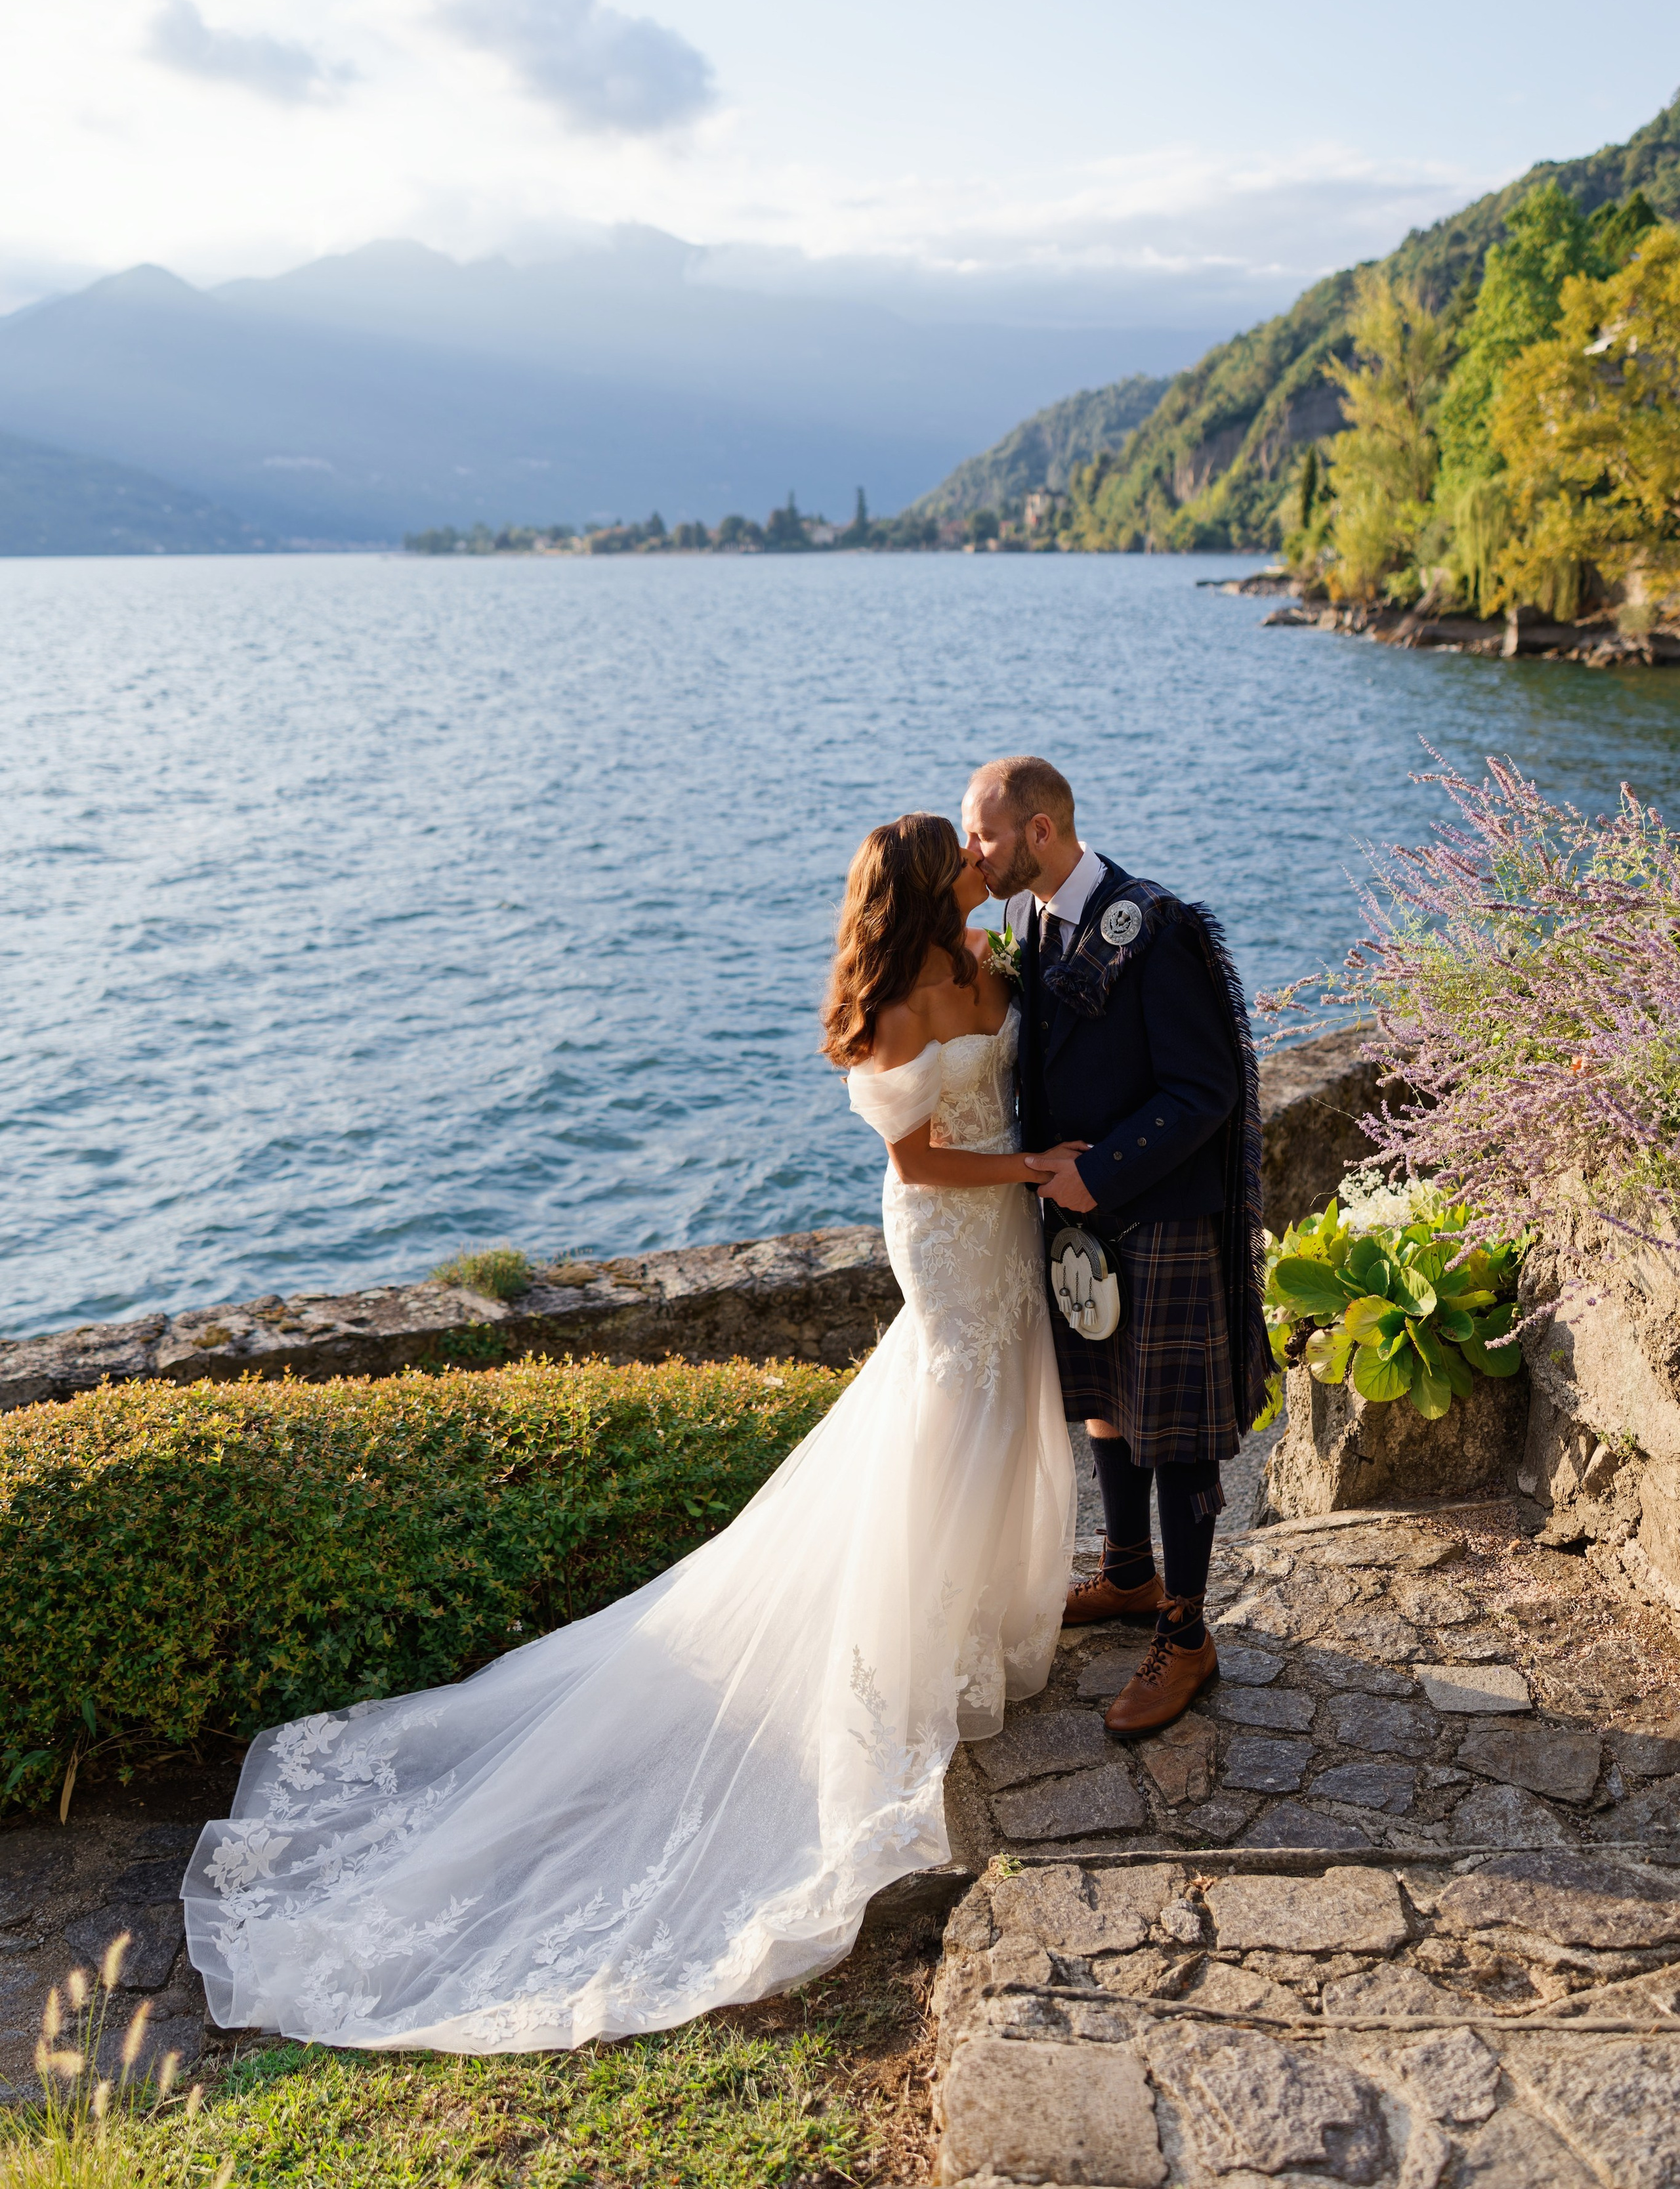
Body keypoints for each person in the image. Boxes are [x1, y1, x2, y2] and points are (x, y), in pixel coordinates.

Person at [180, 811, 1076, 2054]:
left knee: (998, 1407)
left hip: (1010, 1233)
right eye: (962, 859)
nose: (983, 865)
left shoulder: (986, 957)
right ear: (928, 887)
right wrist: (1031, 1169)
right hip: (951, 1228)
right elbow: (921, 1163)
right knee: (947, 1417)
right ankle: (907, 1664)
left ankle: (974, 1628)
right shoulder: (894, 1010)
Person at [960, 756, 1269, 1736]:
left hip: (1160, 1212)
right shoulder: (1030, 917)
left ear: (1040, 831)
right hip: (1077, 1222)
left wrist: (1102, 1175)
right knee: (1104, 1400)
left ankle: (1188, 1635)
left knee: (1173, 1431)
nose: (974, 853)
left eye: (986, 835)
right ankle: (1130, 1573)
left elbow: (1205, 1090)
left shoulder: (1156, 927)